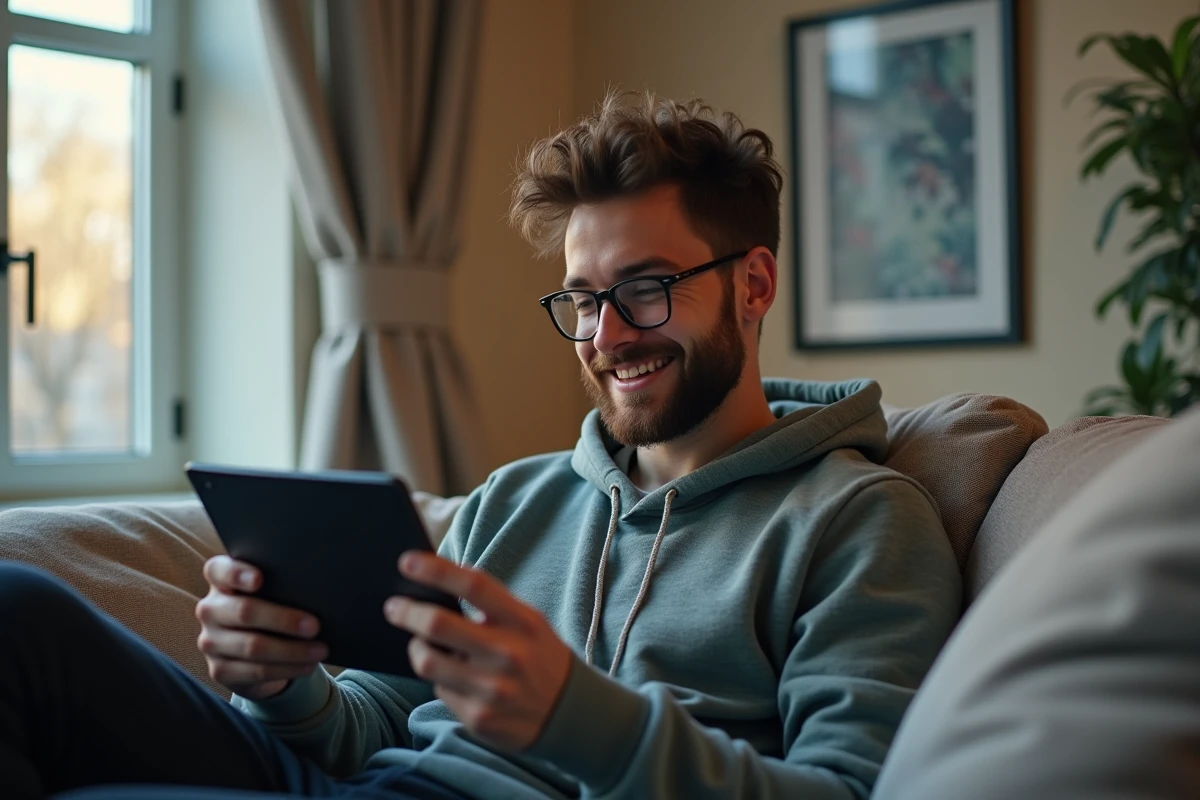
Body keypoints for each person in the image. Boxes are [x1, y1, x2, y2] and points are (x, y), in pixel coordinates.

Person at [0, 91, 960, 800]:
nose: (606, 335)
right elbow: (373, 721)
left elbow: (846, 790)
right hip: (368, 786)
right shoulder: (515, 500)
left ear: (753, 286)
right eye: (583, 299)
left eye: (645, 288)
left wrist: (579, 721)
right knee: (19, 608)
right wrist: (284, 686)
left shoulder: (858, 521)